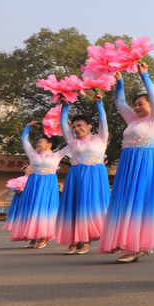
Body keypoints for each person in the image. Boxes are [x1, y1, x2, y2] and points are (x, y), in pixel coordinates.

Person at [99, 64, 154, 262]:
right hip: (127, 165)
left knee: (138, 204)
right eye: (135, 104)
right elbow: (119, 101)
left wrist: (144, 75)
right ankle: (132, 243)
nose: (136, 107)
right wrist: (120, 82)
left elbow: (153, 94)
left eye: (141, 104)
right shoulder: (132, 120)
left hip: (145, 164)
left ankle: (134, 247)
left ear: (151, 105)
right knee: (124, 203)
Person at [56, 99, 109, 255]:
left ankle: (86, 240)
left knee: (89, 207)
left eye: (80, 125)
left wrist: (99, 104)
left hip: (95, 176)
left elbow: (103, 120)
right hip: (76, 176)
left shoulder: (101, 138)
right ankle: (73, 240)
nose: (77, 128)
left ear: (90, 126)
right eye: (74, 126)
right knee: (73, 207)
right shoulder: (72, 141)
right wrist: (65, 107)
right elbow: (63, 126)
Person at [11, 122, 68, 248]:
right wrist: (27, 127)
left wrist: (68, 129)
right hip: (33, 185)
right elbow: (25, 141)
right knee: (32, 209)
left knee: (44, 210)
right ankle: (32, 237)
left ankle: (44, 236)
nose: (38, 143)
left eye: (41, 141)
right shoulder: (33, 155)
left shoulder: (57, 155)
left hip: (48, 186)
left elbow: (71, 144)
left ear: (50, 144)